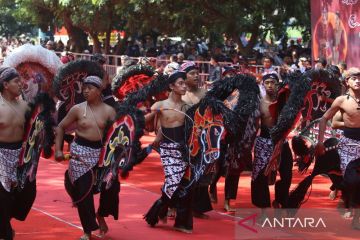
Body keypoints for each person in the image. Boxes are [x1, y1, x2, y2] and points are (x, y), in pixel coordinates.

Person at [55, 76, 118, 240]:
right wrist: (58, 149)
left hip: (101, 154)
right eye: (84, 88)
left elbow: (117, 135)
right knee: (84, 193)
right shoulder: (77, 109)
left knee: (111, 186)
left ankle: (101, 213)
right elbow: (61, 127)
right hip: (79, 153)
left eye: (90, 88)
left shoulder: (110, 111)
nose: (86, 91)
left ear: (99, 90)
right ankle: (87, 230)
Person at [144, 71, 193, 233]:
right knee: (173, 182)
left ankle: (176, 218)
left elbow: (192, 129)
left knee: (181, 184)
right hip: (167, 149)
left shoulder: (188, 107)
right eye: (180, 83)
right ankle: (157, 212)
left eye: (185, 83)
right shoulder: (160, 105)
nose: (184, 85)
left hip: (183, 149)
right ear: (171, 86)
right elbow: (145, 122)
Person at [316, 67, 360, 229]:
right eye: (354, 78)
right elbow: (324, 120)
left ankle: (357, 216)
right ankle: (345, 198)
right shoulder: (341, 100)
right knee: (352, 181)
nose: (358, 80)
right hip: (348, 145)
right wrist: (320, 142)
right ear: (346, 81)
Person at [251, 73, 293, 214]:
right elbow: (254, 125)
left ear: (278, 84)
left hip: (282, 142)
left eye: (273, 82)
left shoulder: (285, 102)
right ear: (263, 84)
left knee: (286, 174)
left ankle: (280, 200)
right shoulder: (259, 103)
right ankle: (264, 207)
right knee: (260, 175)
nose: (270, 85)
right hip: (264, 141)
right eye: (267, 82)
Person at [0, 67, 29, 240]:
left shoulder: (25, 106)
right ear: (5, 84)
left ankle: (5, 220)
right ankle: (5, 233)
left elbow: (35, 129)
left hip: (19, 155)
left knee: (26, 194)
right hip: (0, 153)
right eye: (16, 81)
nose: (21, 84)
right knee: (3, 196)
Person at [180, 62, 210, 218]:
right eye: (192, 73)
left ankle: (198, 207)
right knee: (183, 172)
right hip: (184, 139)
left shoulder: (205, 94)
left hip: (202, 139)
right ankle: (176, 205)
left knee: (201, 171)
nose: (196, 76)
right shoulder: (180, 94)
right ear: (184, 76)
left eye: (197, 73)